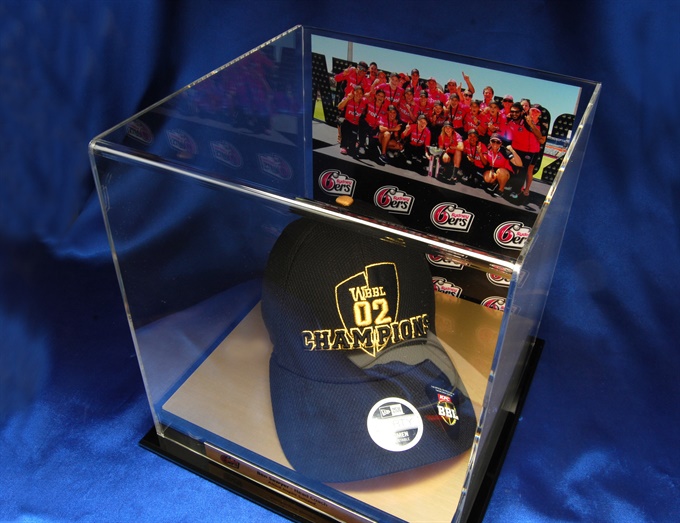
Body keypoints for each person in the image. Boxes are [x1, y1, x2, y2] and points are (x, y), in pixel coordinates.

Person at [505, 103, 548, 196]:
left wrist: (532, 125)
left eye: (537, 112)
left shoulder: (542, 125)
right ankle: (512, 185)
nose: (534, 113)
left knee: (525, 171)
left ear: (540, 114)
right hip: (517, 148)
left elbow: (542, 140)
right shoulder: (522, 119)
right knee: (513, 167)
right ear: (529, 111)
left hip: (531, 151)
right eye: (533, 110)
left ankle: (519, 190)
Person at [337, 84, 367, 157]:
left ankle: (354, 142)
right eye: (357, 92)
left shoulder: (363, 104)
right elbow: (339, 107)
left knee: (352, 148)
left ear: (362, 95)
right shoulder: (348, 99)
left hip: (355, 124)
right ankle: (343, 146)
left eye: (361, 93)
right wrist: (347, 98)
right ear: (354, 92)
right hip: (346, 122)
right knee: (345, 127)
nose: (358, 94)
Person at [358, 88, 389, 157]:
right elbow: (361, 99)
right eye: (379, 95)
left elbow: (383, 121)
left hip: (375, 128)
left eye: (382, 96)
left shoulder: (384, 110)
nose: (380, 97)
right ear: (376, 96)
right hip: (366, 124)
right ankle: (361, 145)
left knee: (372, 150)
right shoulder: (369, 102)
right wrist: (366, 95)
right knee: (362, 124)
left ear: (384, 98)